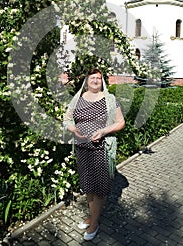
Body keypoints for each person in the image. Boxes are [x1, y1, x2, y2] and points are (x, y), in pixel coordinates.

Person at [63, 68, 125, 241]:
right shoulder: (78, 99)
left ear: (102, 81)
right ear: (86, 81)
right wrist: (73, 128)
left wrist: (104, 131)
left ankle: (94, 223)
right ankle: (91, 216)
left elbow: (120, 122)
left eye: (99, 78)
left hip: (101, 149)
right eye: (92, 78)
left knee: (99, 189)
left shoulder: (110, 99)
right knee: (88, 185)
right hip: (82, 149)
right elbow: (67, 119)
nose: (96, 80)